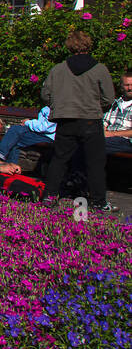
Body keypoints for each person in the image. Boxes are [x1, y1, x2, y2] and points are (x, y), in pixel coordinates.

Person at [40, 30, 117, 212]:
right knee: (95, 163)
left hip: (66, 120)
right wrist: (95, 106)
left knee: (59, 160)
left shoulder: (58, 69)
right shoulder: (99, 69)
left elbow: (45, 94)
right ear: (89, 45)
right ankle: (99, 202)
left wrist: (60, 106)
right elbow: (109, 98)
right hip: (90, 120)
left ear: (69, 46)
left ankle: (49, 197)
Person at [103, 71, 132, 158]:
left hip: (126, 142)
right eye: (127, 85)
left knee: (96, 146)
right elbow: (104, 123)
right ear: (121, 86)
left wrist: (111, 134)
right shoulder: (114, 104)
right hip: (108, 140)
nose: (130, 88)